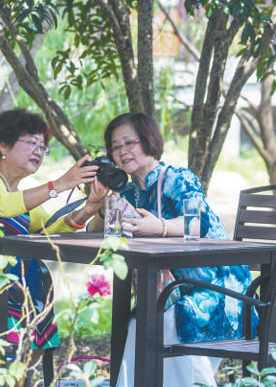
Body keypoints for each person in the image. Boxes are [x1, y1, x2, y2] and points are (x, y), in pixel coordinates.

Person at [0, 108, 106, 386]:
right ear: (3, 146)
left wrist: (90, 208)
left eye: (42, 146)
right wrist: (61, 184)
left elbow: (50, 231)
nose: (39, 150)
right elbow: (3, 205)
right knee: (21, 311)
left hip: (0, 287)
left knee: (34, 312)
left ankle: (14, 377)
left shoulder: (24, 195)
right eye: (31, 142)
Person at [91, 112, 257, 387]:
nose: (122, 151)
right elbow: (95, 232)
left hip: (220, 289)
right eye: (115, 147)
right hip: (172, 292)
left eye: (129, 142)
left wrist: (161, 227)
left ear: (149, 141)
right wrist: (101, 202)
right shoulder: (131, 192)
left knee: (168, 321)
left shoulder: (177, 179)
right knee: (136, 326)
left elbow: (198, 223)